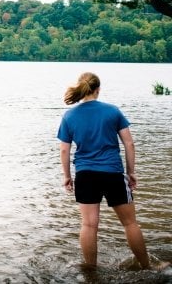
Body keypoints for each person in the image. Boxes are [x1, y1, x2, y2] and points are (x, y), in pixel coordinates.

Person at [57, 72, 151, 269]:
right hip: (112, 173)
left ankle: (91, 272)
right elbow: (129, 144)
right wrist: (131, 172)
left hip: (85, 175)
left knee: (89, 225)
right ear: (98, 89)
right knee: (130, 224)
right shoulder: (112, 111)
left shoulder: (70, 115)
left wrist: (67, 176)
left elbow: (65, 149)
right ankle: (148, 267)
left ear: (81, 89)